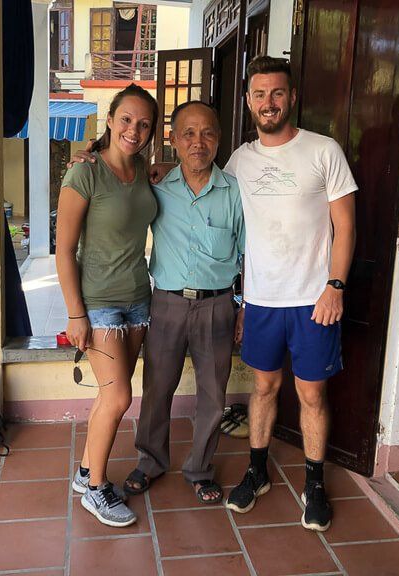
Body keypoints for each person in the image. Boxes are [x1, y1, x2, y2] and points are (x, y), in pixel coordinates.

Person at [221, 56, 357, 532]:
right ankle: (256, 472)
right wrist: (156, 170)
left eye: (277, 93)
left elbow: (346, 226)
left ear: (292, 97)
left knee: (312, 393)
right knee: (263, 387)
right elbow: (208, 194)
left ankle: (314, 484)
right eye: (259, 95)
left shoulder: (324, 151)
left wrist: (334, 286)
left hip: (312, 302)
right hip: (260, 300)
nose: (268, 103)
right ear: (249, 101)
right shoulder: (240, 159)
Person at [123, 101, 244, 504]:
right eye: (188, 133)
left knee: (214, 392)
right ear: (173, 140)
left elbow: (248, 254)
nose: (198, 142)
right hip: (168, 303)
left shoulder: (234, 194)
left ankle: (199, 468)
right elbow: (115, 169)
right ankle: (150, 461)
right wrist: (90, 154)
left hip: (217, 306)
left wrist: (243, 305)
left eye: (207, 133)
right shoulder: (155, 185)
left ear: (219, 139)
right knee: (158, 388)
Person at [56, 83, 158, 528]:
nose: (133, 129)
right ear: (110, 120)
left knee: (107, 394)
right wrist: (75, 313)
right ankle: (96, 491)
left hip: (138, 298)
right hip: (99, 305)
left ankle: (84, 472)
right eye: (126, 119)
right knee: (118, 396)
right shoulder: (84, 173)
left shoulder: (143, 171)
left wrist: (160, 170)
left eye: (143, 124)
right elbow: (63, 251)